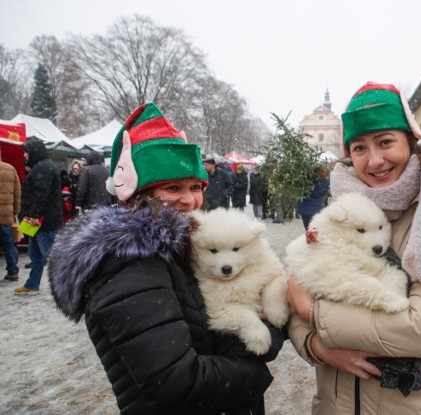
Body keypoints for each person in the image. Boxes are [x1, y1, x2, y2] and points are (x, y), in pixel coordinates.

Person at [47, 103, 283, 414]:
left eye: (196, 186)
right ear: (136, 193)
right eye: (173, 188)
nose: (190, 199)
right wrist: (257, 369)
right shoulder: (127, 262)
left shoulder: (179, 245)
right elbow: (178, 384)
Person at [287, 82, 421, 414]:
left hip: (415, 404)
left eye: (386, 142)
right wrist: (318, 346)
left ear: (411, 141)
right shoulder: (343, 208)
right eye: (359, 147)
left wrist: (314, 314)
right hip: (338, 403)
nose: (374, 160)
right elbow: (297, 291)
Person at [15, 139, 63, 296]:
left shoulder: (43, 168)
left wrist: (35, 215)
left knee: (51, 257)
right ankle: (32, 284)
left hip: (42, 221)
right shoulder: (43, 167)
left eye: (26, 151)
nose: (24, 155)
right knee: (35, 255)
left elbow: (41, 194)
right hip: (38, 221)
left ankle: (65, 288)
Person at [0, 148, 21, 282]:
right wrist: (15, 211)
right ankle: (13, 271)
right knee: (8, 244)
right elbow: (17, 193)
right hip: (6, 214)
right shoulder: (10, 168)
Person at [297, 165, 330, 231]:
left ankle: (311, 239)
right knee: (314, 229)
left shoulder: (306, 181)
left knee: (308, 228)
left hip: (304, 208)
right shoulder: (326, 182)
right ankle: (312, 240)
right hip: (317, 208)